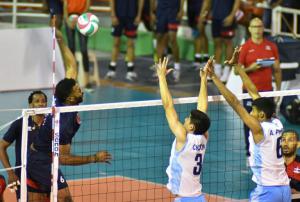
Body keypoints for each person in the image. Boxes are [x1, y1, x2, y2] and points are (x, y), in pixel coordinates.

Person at [206, 47, 290, 201]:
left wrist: (214, 77)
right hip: (285, 188)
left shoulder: (259, 128)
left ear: (262, 115)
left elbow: (235, 103)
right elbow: (253, 91)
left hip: (267, 190)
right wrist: (237, 65)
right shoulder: (277, 122)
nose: (250, 113)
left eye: (253, 111)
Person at [26, 78, 112, 201]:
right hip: (41, 161)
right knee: (65, 198)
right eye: (78, 91)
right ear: (70, 98)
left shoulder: (61, 97)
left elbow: (71, 68)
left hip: (39, 157)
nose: (82, 92)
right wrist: (94, 158)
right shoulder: (63, 125)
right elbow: (64, 158)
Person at [156, 57, 211, 201]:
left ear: (192, 126)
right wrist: (203, 80)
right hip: (199, 198)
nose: (185, 119)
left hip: (184, 199)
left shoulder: (183, 137)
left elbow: (168, 106)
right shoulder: (204, 136)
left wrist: (161, 77)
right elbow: (202, 108)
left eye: (188, 118)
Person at [238, 17, 281, 157]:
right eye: (254, 26)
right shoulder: (244, 48)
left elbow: (277, 70)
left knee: (270, 120)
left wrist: (279, 90)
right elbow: (236, 70)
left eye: (260, 26)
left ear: (263, 28)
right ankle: (249, 152)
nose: (257, 29)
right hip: (249, 92)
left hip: (267, 91)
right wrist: (250, 68)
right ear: (249, 29)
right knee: (249, 121)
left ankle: (269, 150)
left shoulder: (271, 46)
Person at [0, 90, 47, 200]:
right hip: (24, 175)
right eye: (37, 101)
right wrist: (11, 173)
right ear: (30, 105)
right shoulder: (20, 123)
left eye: (43, 101)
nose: (41, 104)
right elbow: (1, 147)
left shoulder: (51, 123)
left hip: (45, 173)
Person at [201, 0, 240, 82]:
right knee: (217, 44)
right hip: (215, 18)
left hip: (227, 16)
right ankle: (217, 71)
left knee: (228, 43)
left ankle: (226, 71)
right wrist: (205, 12)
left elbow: (237, 1)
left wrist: (232, 16)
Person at [105, 0, 144, 82]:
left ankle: (130, 71)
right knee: (116, 43)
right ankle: (111, 70)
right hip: (118, 15)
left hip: (132, 16)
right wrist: (113, 15)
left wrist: (139, 15)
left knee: (130, 44)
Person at [63, 0, 92, 88]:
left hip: (83, 18)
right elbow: (65, 6)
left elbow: (87, 6)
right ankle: (72, 79)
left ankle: (87, 81)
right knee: (71, 49)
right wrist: (67, 20)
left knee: (84, 50)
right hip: (69, 18)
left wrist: (80, 20)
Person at [155, 0, 185, 82]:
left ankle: (177, 67)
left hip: (173, 9)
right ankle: (160, 69)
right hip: (161, 9)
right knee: (159, 38)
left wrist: (181, 10)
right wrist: (152, 10)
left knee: (172, 38)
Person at [187, 0, 209, 70]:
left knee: (200, 33)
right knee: (198, 34)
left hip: (201, 10)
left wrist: (202, 14)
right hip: (191, 10)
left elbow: (207, 1)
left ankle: (203, 60)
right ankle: (199, 59)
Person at [282, 130, 300, 196]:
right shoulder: (273, 164)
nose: (286, 144)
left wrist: (296, 193)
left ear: (298, 144)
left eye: (290, 140)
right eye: (283, 140)